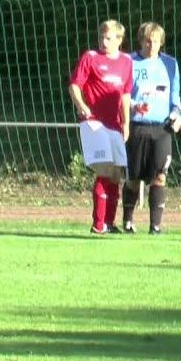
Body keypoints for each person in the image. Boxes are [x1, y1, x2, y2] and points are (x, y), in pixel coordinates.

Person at [69, 20, 134, 234]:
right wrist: (82, 106)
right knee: (104, 170)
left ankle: (110, 222)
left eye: (109, 38)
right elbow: (75, 85)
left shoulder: (126, 61)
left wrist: (126, 122)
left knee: (117, 174)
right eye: (102, 38)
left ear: (119, 39)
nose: (104, 42)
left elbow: (125, 94)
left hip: (115, 124)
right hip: (94, 122)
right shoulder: (91, 58)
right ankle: (98, 224)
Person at [122, 22, 181, 234]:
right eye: (148, 40)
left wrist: (177, 114)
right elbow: (122, 95)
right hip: (137, 127)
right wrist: (133, 106)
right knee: (133, 177)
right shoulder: (129, 62)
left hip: (162, 129)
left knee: (160, 177)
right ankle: (128, 222)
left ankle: (155, 227)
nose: (151, 45)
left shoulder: (170, 64)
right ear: (141, 40)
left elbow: (175, 97)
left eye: (155, 41)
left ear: (161, 42)